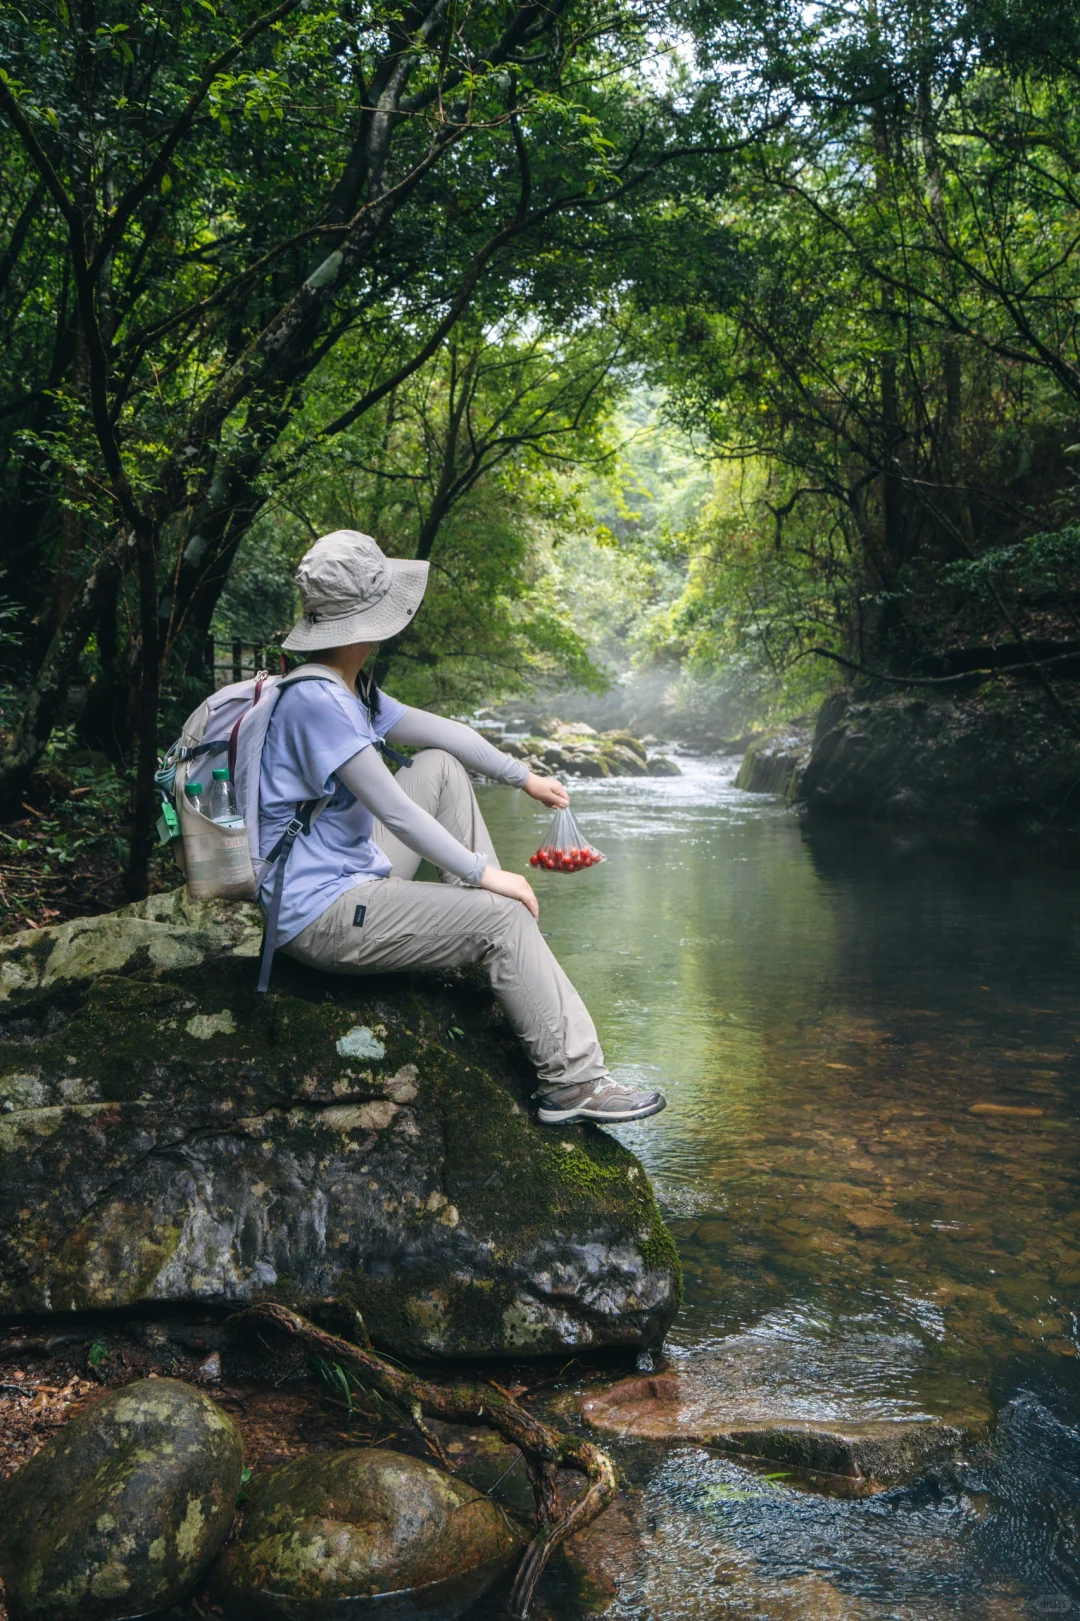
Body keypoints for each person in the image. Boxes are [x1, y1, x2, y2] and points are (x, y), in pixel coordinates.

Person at [259, 528, 667, 1126]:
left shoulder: (349, 689)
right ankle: (573, 1083)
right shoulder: (317, 703)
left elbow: (444, 733)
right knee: (503, 915)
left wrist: (521, 776)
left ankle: (467, 925)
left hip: (341, 875)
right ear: (370, 622)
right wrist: (490, 878)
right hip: (320, 915)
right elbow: (394, 812)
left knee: (440, 769)